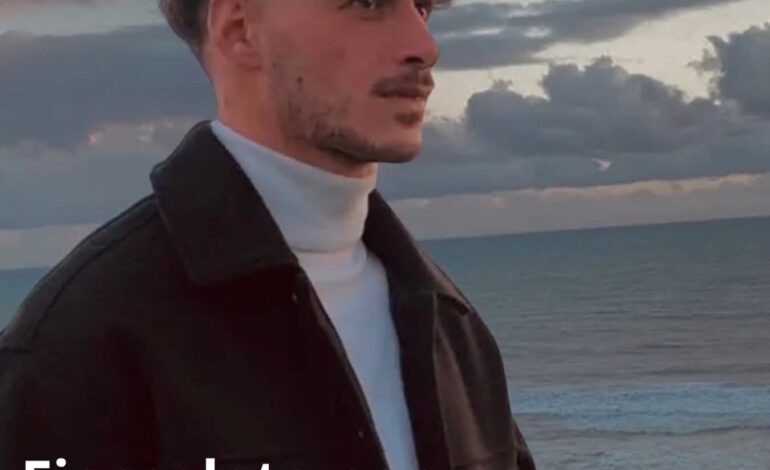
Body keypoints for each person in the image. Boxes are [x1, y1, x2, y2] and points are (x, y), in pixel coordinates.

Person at [0, 0, 536, 468]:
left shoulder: (451, 325)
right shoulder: (78, 346)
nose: (424, 46)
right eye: (368, 2)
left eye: (423, 6)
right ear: (240, 29)